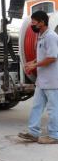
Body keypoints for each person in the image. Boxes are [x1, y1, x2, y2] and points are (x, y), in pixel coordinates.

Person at [18, 10, 58, 144]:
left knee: (53, 109)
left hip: (52, 81)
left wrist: (34, 66)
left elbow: (52, 57)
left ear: (42, 22)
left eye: (34, 23)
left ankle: (54, 135)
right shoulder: (41, 36)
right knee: (36, 106)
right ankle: (33, 133)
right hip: (42, 81)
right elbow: (43, 55)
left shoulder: (51, 36)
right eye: (31, 22)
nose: (32, 25)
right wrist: (33, 62)